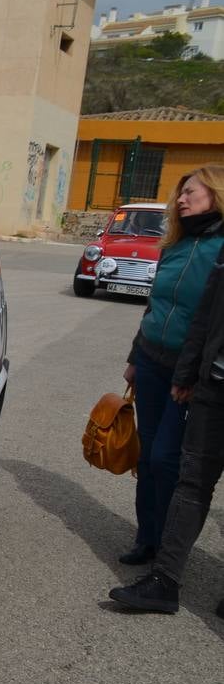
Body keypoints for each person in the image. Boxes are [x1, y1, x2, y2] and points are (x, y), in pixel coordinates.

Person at [110, 166, 224, 615]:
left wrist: (192, 374)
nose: (181, 200)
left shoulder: (220, 247)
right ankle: (148, 539)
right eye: (180, 194)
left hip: (191, 372)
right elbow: (155, 303)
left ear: (214, 194)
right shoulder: (175, 244)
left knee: (166, 458)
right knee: (146, 457)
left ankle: (168, 552)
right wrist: (137, 356)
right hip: (154, 362)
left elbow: (208, 319)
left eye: (190, 193)